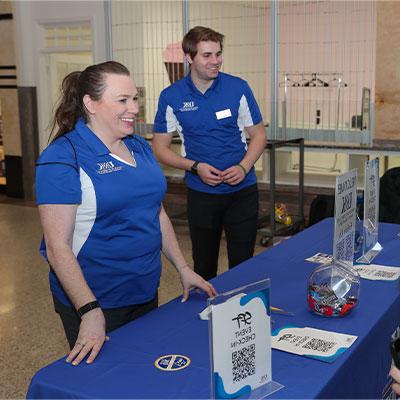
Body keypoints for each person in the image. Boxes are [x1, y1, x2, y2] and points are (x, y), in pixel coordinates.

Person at [35, 61, 216, 366]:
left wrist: (183, 268)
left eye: (135, 99)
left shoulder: (139, 148)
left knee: (143, 372)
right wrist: (89, 310)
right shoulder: (63, 158)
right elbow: (57, 247)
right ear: (91, 104)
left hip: (144, 288)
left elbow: (156, 213)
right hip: (97, 298)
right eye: (123, 100)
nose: (134, 108)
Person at [153, 26, 267, 281]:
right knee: (204, 264)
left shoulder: (238, 88)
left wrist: (243, 167)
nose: (215, 61)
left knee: (243, 263)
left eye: (218, 54)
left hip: (242, 192)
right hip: (201, 193)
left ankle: (243, 314)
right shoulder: (172, 97)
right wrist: (195, 167)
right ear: (189, 58)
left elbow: (259, 135)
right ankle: (208, 315)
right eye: (207, 55)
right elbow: (160, 148)